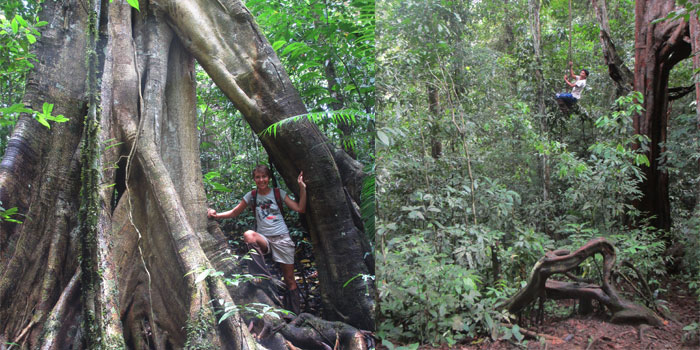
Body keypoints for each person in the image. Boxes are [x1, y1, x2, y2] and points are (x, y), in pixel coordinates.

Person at [207, 164, 306, 314]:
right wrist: (216, 215)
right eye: (258, 177)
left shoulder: (278, 193)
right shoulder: (252, 196)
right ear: (254, 179)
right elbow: (235, 212)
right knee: (249, 234)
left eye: (264, 177)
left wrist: (302, 188)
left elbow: (300, 208)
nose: (261, 180)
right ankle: (261, 277)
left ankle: (295, 314)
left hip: (282, 239)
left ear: (269, 178)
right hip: (264, 238)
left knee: (290, 279)